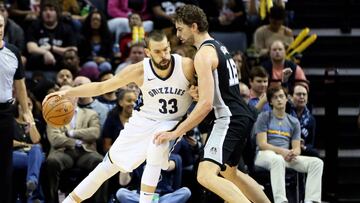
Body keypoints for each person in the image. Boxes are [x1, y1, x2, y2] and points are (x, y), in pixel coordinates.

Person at [43, 30, 195, 203]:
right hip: (142, 121)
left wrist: (196, 93)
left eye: (166, 49)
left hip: (170, 122)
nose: (164, 55)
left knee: (156, 143)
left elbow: (206, 88)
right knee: (105, 169)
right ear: (148, 53)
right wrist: (68, 93)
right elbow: (101, 88)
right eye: (158, 52)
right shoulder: (138, 70)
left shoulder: (186, 66)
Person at [154, 5, 270, 203]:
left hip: (228, 119)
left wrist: (176, 132)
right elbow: (218, 92)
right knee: (230, 173)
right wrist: (198, 94)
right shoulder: (219, 46)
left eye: (180, 29)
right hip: (240, 114)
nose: (177, 34)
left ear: (193, 26)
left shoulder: (203, 54)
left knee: (205, 175)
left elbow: (207, 104)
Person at [254, 86, 323, 203]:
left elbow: (297, 149)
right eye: (275, 98)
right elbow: (262, 144)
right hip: (264, 155)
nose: (279, 100)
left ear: (287, 99)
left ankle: (311, 200)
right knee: (277, 160)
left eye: (281, 96)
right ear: (270, 101)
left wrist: (292, 153)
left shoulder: (293, 121)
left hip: (285, 156)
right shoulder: (264, 116)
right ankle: (281, 201)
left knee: (316, 163)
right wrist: (282, 152)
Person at [0, 13, 34, 203]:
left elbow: (20, 87)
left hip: (5, 112)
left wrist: (27, 112)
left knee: (5, 163)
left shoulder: (13, 52)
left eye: (1, 25)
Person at [289, 84, 319, 157]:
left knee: (316, 154)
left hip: (302, 151)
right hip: (286, 149)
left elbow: (311, 144)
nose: (302, 97)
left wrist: (303, 146)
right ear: (291, 97)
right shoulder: (285, 112)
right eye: (298, 94)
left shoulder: (311, 119)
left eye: (304, 94)